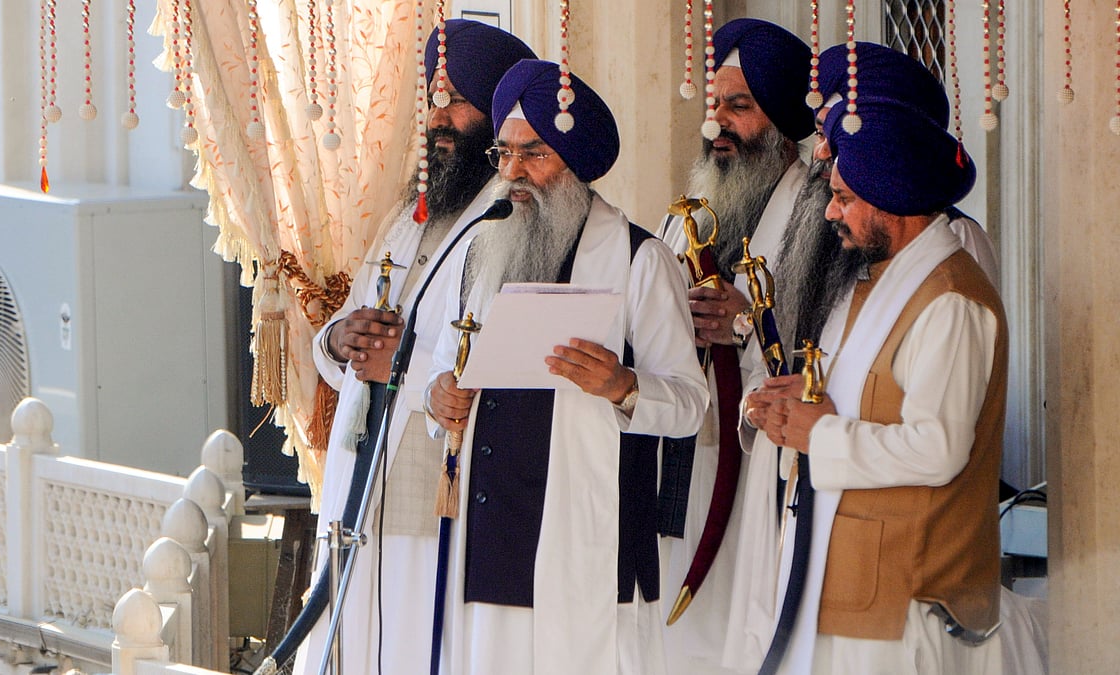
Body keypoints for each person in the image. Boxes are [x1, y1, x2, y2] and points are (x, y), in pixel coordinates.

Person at [424, 59, 708, 675]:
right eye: (505, 153)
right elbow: (448, 369)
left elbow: (689, 404)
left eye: (536, 154)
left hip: (588, 545)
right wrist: (438, 396)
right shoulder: (481, 248)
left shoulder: (640, 258)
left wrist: (624, 386)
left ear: (576, 162)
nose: (513, 173)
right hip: (491, 538)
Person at [293, 19, 535, 675]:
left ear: (493, 112)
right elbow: (341, 337)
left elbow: (510, 371)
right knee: (352, 633)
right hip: (361, 463)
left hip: (431, 473)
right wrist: (340, 340)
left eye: (457, 98)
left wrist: (403, 363)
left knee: (409, 638)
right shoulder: (412, 213)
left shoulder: (511, 221)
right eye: (434, 96)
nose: (439, 115)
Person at [753, 95, 1007, 674]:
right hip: (853, 588)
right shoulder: (881, 282)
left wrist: (819, 435)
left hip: (904, 601)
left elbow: (938, 448)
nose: (829, 213)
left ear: (893, 201)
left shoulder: (949, 299)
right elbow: (862, 404)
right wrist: (793, 405)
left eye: (843, 198)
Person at [652, 18, 814, 675]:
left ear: (779, 122)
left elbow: (838, 342)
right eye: (715, 105)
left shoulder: (820, 215)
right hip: (675, 458)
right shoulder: (685, 211)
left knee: (734, 638)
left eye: (739, 106)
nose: (717, 123)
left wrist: (749, 320)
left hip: (759, 472)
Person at [813, 41, 1000, 288]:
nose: (821, 152)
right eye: (820, 133)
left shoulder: (957, 235)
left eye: (838, 135)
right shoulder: (828, 229)